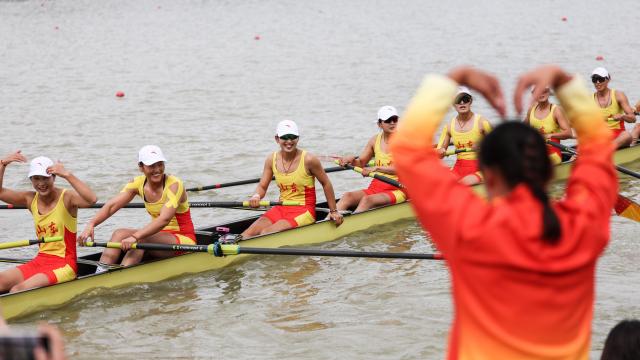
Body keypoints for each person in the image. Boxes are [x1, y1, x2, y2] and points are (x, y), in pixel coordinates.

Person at [390, 65, 616, 359]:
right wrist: (563, 80)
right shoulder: (582, 224)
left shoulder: (470, 226)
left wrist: (456, 77)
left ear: (489, 176)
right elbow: (599, 144)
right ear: (548, 173)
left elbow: (406, 151)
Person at [78, 145, 196, 271]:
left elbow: (164, 220)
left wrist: (135, 237)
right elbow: (111, 206)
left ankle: (122, 275)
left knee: (141, 238)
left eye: (160, 164)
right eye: (152, 165)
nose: (157, 169)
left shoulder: (174, 184)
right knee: (119, 233)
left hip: (183, 240)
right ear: (141, 167)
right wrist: (91, 224)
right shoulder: (137, 183)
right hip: (157, 236)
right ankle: (100, 272)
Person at [0, 152, 97, 292]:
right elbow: (0, 192)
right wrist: (2, 164)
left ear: (54, 177)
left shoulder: (67, 197)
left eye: (45, 178)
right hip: (40, 260)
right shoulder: (29, 199)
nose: (41, 184)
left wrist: (67, 175)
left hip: (64, 264)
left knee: (17, 290)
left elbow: (92, 199)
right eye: (36, 179)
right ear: (31, 180)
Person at [241, 120, 343, 238]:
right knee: (247, 234)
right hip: (281, 207)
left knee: (265, 233)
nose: (289, 141)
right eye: (285, 137)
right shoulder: (271, 159)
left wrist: (334, 211)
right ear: (277, 139)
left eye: (293, 137)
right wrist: (256, 196)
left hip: (303, 210)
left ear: (298, 138)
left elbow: (326, 183)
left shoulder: (309, 159)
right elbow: (262, 186)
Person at [335, 106, 407, 213]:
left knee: (367, 200)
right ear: (379, 124)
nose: (392, 123)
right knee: (347, 196)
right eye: (388, 120)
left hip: (398, 189)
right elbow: (361, 163)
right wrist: (350, 160)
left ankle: (350, 225)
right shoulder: (374, 140)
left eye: (395, 119)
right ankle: (330, 220)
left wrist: (376, 168)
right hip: (376, 187)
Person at [435, 86, 492, 185]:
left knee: (460, 185)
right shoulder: (449, 127)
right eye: (458, 100)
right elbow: (439, 153)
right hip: (458, 168)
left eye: (465, 99)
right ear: (453, 104)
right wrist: (440, 151)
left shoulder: (482, 123)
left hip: (480, 168)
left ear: (470, 101)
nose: (462, 103)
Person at [524, 86, 572, 164]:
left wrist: (549, 135)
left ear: (549, 92)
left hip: (553, 154)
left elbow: (569, 133)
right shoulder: (531, 109)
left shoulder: (556, 110)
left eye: (544, 91)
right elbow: (522, 128)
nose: (541, 94)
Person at [591, 67, 637, 148]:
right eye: (594, 80)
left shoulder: (618, 95)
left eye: (600, 79)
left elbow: (633, 119)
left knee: (627, 135)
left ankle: (606, 150)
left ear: (608, 79)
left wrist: (623, 116)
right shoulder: (589, 100)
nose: (597, 83)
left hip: (618, 136)